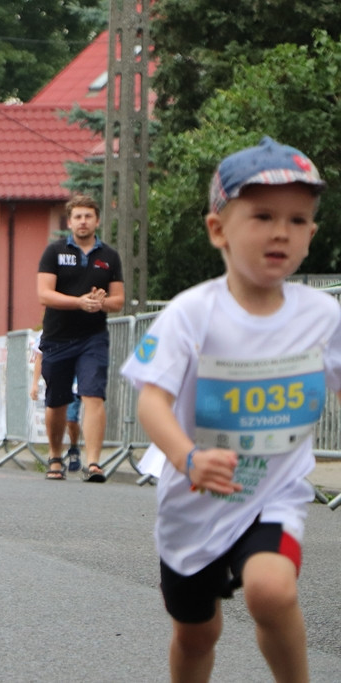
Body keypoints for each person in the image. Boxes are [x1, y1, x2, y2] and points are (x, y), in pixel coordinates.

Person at [120, 136, 340, 683]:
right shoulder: (192, 314)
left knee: (272, 589)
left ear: (312, 234)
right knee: (197, 635)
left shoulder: (323, 316)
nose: (281, 232)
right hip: (193, 504)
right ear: (219, 229)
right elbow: (152, 400)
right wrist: (189, 457)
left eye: (298, 219)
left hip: (273, 494)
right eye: (262, 215)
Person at [36, 194, 124, 482]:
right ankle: (55, 455)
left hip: (93, 337)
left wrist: (100, 304)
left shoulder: (109, 257)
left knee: (93, 394)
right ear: (70, 221)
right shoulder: (54, 252)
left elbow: (118, 300)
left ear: (97, 220)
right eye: (78, 217)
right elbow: (44, 294)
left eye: (88, 216)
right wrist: (79, 302)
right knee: (57, 401)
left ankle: (94, 462)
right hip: (58, 336)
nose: (83, 221)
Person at [30, 343, 83, 472]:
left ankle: (74, 448)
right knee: (54, 417)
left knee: (71, 419)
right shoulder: (50, 329)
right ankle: (55, 455)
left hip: (75, 383)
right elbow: (40, 356)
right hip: (57, 382)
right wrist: (35, 384)